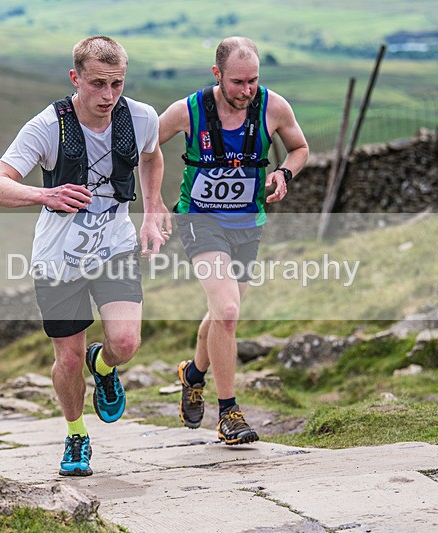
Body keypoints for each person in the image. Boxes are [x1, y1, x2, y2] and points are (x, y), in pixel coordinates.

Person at [0, 36, 170, 476]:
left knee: (125, 343)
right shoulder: (47, 126)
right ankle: (76, 435)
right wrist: (43, 193)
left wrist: (152, 206)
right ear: (75, 78)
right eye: (98, 84)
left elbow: (153, 156)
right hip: (58, 256)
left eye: (116, 84)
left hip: (114, 246)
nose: (107, 96)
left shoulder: (140, 117)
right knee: (66, 358)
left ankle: (102, 366)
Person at [158, 36, 308, 445]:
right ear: (217, 74)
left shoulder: (273, 107)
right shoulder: (188, 110)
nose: (246, 91)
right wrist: (152, 200)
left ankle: (192, 374)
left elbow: (299, 148)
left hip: (248, 223)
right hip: (198, 219)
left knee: (223, 310)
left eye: (253, 81)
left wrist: (283, 174)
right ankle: (229, 413)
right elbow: (145, 147)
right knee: (226, 311)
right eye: (238, 82)